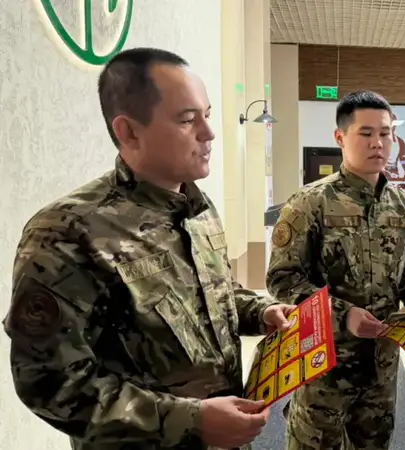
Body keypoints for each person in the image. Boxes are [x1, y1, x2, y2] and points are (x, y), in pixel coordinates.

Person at [3, 47, 295, 450]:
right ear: (129, 131)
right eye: (188, 120)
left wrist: (260, 311)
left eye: (207, 115)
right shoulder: (68, 231)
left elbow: (214, 299)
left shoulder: (198, 208)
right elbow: (50, 383)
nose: (209, 133)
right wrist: (192, 422)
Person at [266, 90, 405, 449]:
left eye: (386, 133)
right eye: (366, 133)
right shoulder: (309, 203)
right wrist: (343, 315)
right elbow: (282, 279)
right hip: (324, 368)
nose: (378, 143)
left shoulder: (402, 205)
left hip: (381, 367)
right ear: (340, 138)